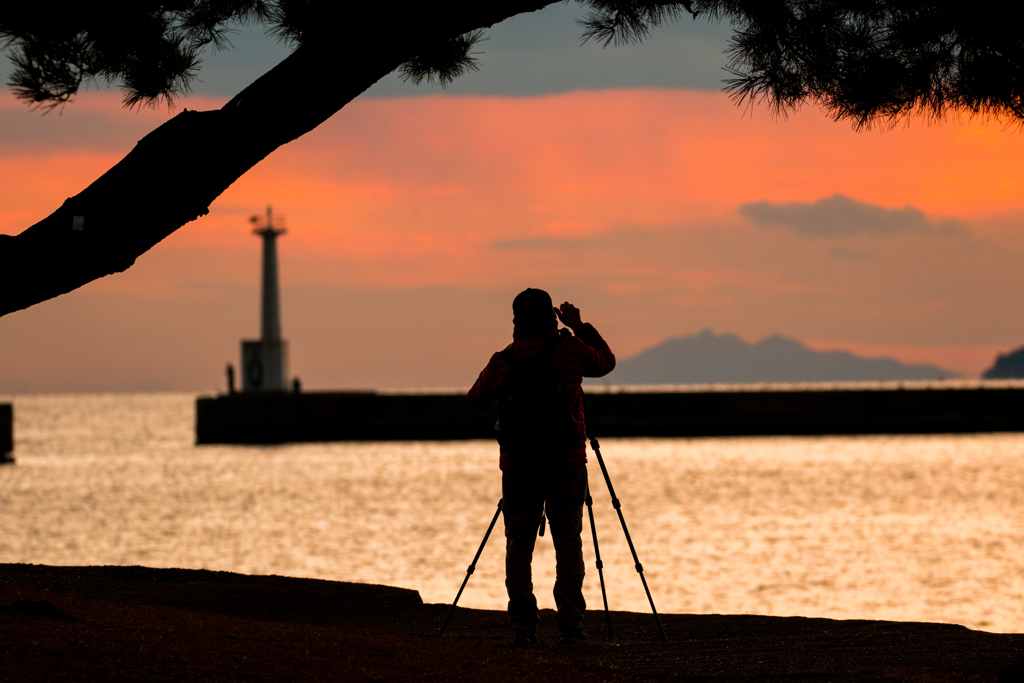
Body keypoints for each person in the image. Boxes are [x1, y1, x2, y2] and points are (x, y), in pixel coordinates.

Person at [467, 288, 615, 645]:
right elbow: (606, 362)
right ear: (552, 316)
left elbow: (475, 401)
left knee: (519, 544)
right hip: (566, 461)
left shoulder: (503, 360)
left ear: (516, 320)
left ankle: (523, 627)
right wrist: (578, 325)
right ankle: (571, 626)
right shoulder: (570, 348)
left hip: (519, 465)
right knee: (568, 541)